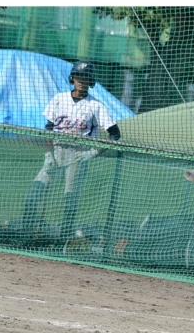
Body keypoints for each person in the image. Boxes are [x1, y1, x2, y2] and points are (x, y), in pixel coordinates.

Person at [22, 61, 121, 243]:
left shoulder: (96, 106)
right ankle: (25, 233)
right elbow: (48, 129)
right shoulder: (59, 99)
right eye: (79, 77)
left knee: (69, 199)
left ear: (91, 81)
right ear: (72, 78)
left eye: (86, 78)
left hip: (78, 155)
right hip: (56, 152)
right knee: (34, 191)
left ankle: (64, 239)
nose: (82, 81)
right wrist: (48, 154)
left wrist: (93, 152)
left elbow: (114, 134)